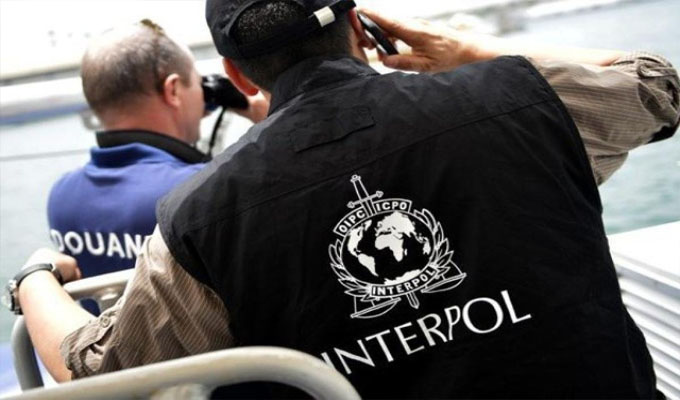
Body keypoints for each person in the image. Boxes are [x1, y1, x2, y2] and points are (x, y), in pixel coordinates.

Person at [7, 1, 679, 398]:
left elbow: (96, 369)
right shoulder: (522, 100)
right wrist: (469, 53)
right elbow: (657, 86)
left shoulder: (196, 220)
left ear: (237, 73)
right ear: (360, 27)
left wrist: (33, 278)